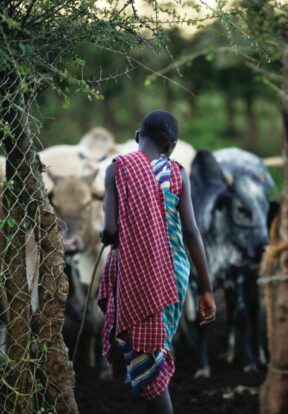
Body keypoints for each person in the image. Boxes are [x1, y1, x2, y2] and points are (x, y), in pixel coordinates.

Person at [98, 110, 216, 414]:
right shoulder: (177, 173)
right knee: (154, 352)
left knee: (145, 360)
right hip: (173, 275)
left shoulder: (118, 170)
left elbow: (111, 231)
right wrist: (207, 289)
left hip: (133, 275)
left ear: (139, 136)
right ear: (172, 145)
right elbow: (191, 231)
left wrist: (106, 235)